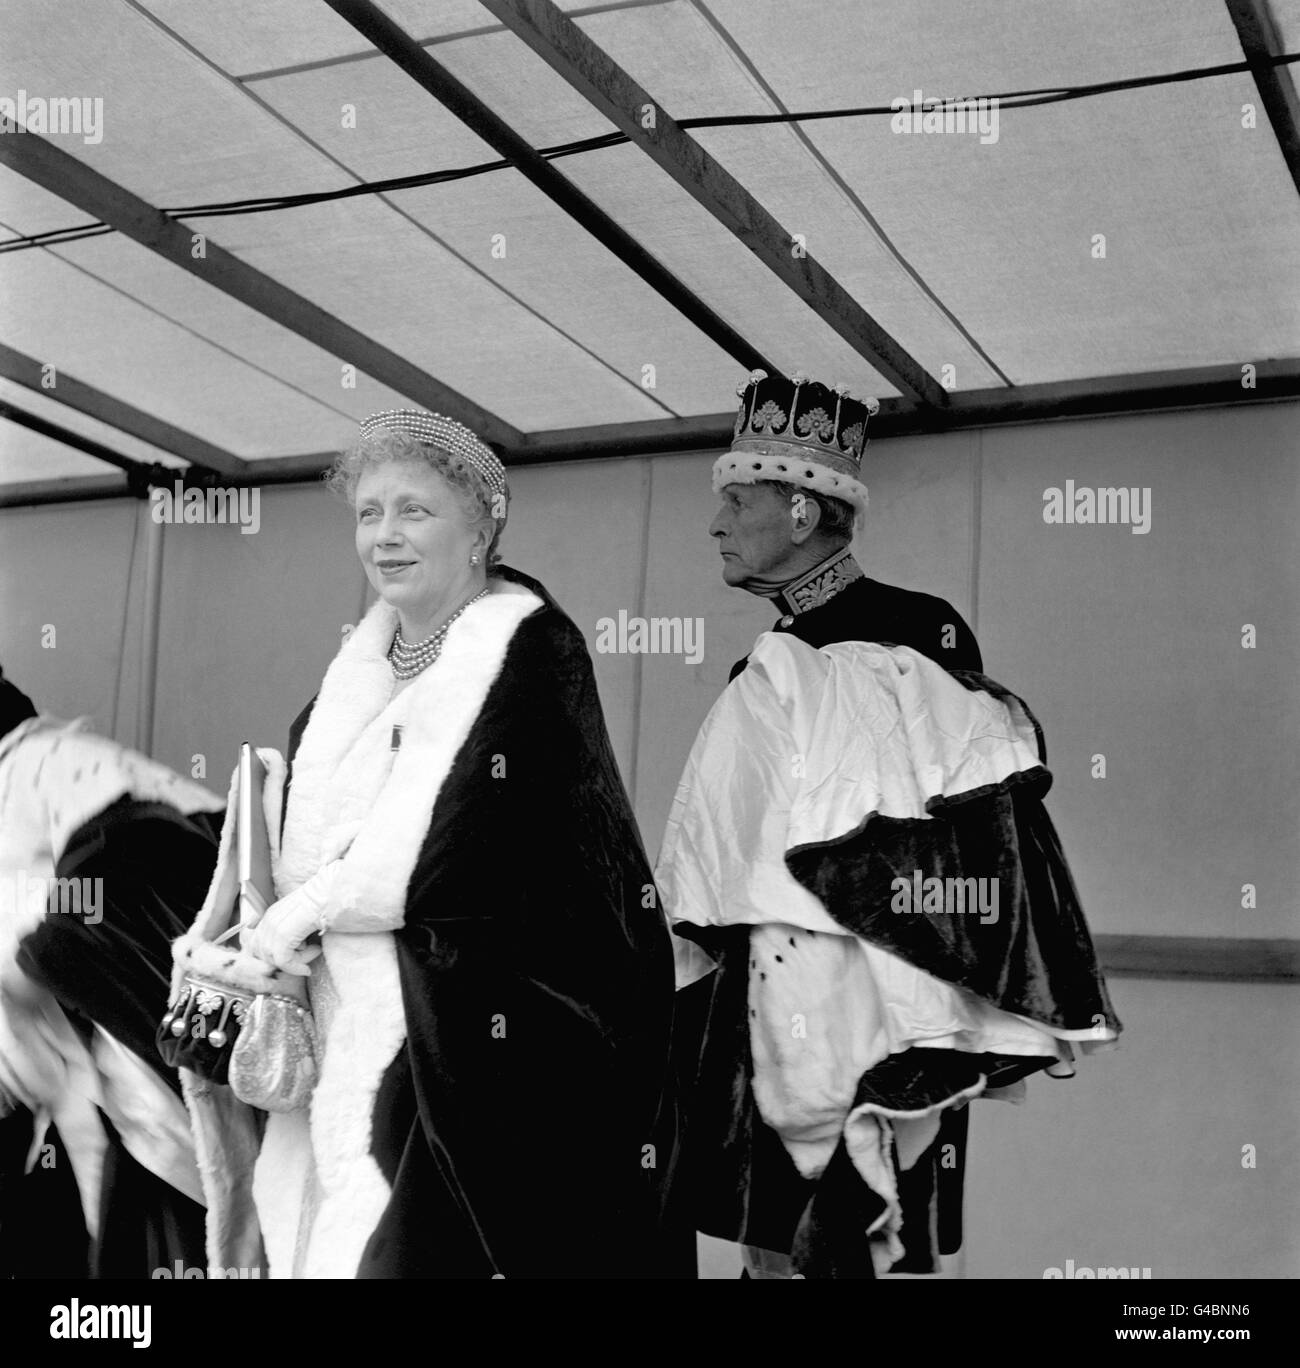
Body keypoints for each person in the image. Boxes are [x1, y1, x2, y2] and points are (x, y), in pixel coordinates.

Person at [187, 408, 682, 1278]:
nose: (384, 536)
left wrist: (305, 906)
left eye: (414, 511)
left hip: (481, 1042)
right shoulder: (349, 680)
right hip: (346, 1032)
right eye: (368, 513)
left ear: (482, 526)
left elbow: (457, 846)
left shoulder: (534, 653)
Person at [658, 372, 1120, 1279]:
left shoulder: (922, 631)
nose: (714, 525)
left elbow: (973, 831)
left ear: (801, 513)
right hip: (765, 998)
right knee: (771, 1241)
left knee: (875, 1235)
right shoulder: (753, 668)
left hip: (888, 1002)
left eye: (735, 502)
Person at [0, 668, 217, 1277]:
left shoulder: (61, 762)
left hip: (150, 1114)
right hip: (68, 1123)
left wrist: (39, 955)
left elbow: (159, 864)